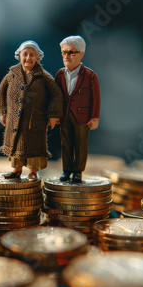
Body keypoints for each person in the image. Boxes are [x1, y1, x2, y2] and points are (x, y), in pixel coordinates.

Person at [0, 40, 63, 181]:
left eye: (32, 55)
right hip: (14, 120)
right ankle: (16, 170)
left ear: (38, 57)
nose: (28, 58)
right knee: (15, 145)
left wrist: (52, 115)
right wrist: (2, 111)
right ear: (19, 56)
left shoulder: (43, 77)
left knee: (34, 147)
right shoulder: (12, 74)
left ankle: (33, 171)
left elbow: (56, 94)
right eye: (25, 54)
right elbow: (2, 91)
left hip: (35, 120)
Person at [55, 36, 100, 183]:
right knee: (65, 143)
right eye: (64, 52)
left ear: (81, 53)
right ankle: (66, 170)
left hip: (82, 116)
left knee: (80, 144)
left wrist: (94, 117)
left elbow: (96, 98)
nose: (66, 56)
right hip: (65, 115)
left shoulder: (90, 75)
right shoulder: (60, 74)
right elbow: (55, 97)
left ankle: (78, 171)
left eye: (71, 52)